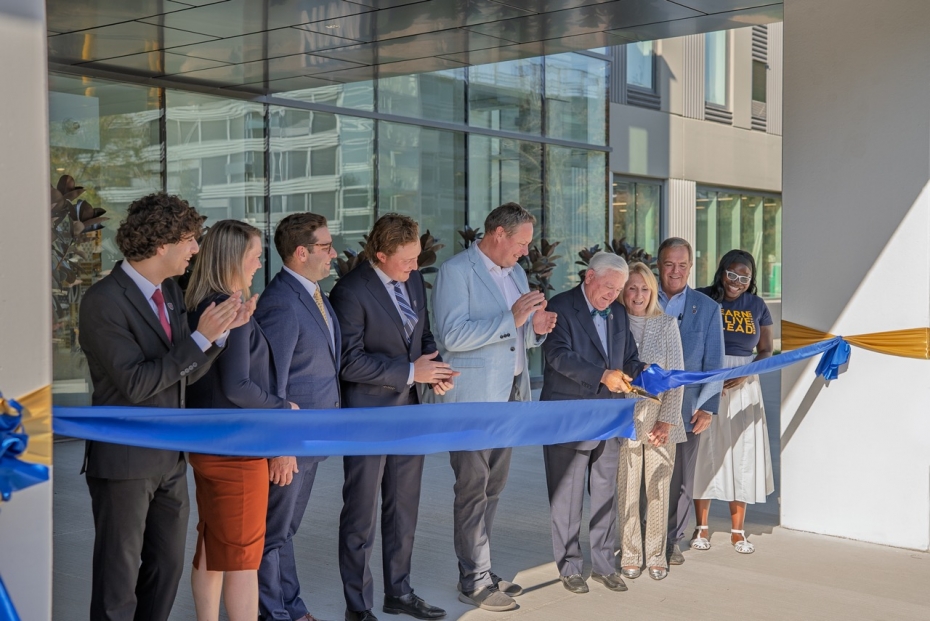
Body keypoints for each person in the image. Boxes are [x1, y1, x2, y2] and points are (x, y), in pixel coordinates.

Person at [78, 193, 247, 621]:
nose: (196, 250)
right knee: (118, 582)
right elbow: (136, 383)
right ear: (161, 245)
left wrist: (218, 336)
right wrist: (199, 340)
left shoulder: (171, 291)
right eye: (190, 240)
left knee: (166, 569)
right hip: (125, 462)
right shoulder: (103, 301)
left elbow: (183, 372)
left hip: (171, 460)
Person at [431, 202, 557, 613]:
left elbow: (516, 335)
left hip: (510, 400)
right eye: (520, 242)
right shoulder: (456, 271)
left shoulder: (516, 272)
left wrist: (534, 331)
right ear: (498, 234)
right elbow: (451, 336)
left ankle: (482, 568)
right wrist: (512, 317)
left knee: (493, 489)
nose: (525, 251)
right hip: (471, 403)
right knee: (472, 490)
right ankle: (473, 582)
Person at [329, 214, 454, 621]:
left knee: (403, 511)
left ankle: (398, 593)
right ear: (380, 255)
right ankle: (358, 607)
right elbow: (348, 362)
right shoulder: (349, 291)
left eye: (418, 258)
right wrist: (409, 371)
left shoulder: (414, 278)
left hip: (409, 414)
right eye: (406, 260)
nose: (415, 268)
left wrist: (434, 369)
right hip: (366, 418)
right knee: (360, 517)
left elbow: (424, 335)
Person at [184, 220, 298, 621]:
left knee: (212, 545)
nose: (259, 261)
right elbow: (237, 386)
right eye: (254, 253)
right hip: (238, 449)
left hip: (208, 445)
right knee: (243, 559)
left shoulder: (202, 303)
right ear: (234, 258)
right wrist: (282, 407)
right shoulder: (233, 308)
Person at [540, 252, 645, 595]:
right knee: (567, 499)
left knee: (604, 496)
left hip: (610, 417)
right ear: (589, 277)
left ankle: (602, 564)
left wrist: (646, 373)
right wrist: (602, 376)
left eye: (619, 289)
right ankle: (569, 566)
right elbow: (557, 356)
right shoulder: (560, 305)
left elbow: (627, 356)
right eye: (609, 287)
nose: (614, 295)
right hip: (569, 416)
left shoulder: (616, 311)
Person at [254, 213, 341, 621]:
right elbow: (275, 384)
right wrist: (281, 447)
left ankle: (290, 605)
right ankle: (274, 613)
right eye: (326, 246)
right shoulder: (280, 303)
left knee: (285, 530)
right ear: (301, 252)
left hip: (311, 439)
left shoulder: (313, 294)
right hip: (292, 443)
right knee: (273, 532)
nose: (333, 253)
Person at [692, 250, 775, 554]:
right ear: (722, 271)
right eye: (732, 274)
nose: (737, 282)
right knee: (705, 450)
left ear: (751, 280)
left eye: (745, 277)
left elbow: (766, 350)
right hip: (708, 378)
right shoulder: (703, 298)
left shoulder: (757, 305)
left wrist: (745, 371)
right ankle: (700, 528)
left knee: (742, 452)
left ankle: (737, 532)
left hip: (745, 382)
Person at [656, 237, 725, 567]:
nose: (676, 271)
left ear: (690, 267)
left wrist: (709, 407)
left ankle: (671, 539)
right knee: (642, 477)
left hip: (688, 411)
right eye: (670, 264)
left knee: (681, 481)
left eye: (682, 265)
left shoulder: (708, 308)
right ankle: (642, 536)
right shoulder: (641, 297)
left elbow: (714, 362)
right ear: (659, 265)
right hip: (644, 407)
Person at [617, 262, 685, 581]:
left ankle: (657, 553)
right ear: (623, 291)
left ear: (653, 291)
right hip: (623, 419)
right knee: (627, 488)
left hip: (660, 420)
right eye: (632, 287)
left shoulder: (667, 324)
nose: (639, 294)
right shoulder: (614, 323)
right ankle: (630, 552)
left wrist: (668, 421)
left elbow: (676, 377)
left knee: (657, 487)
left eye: (645, 288)